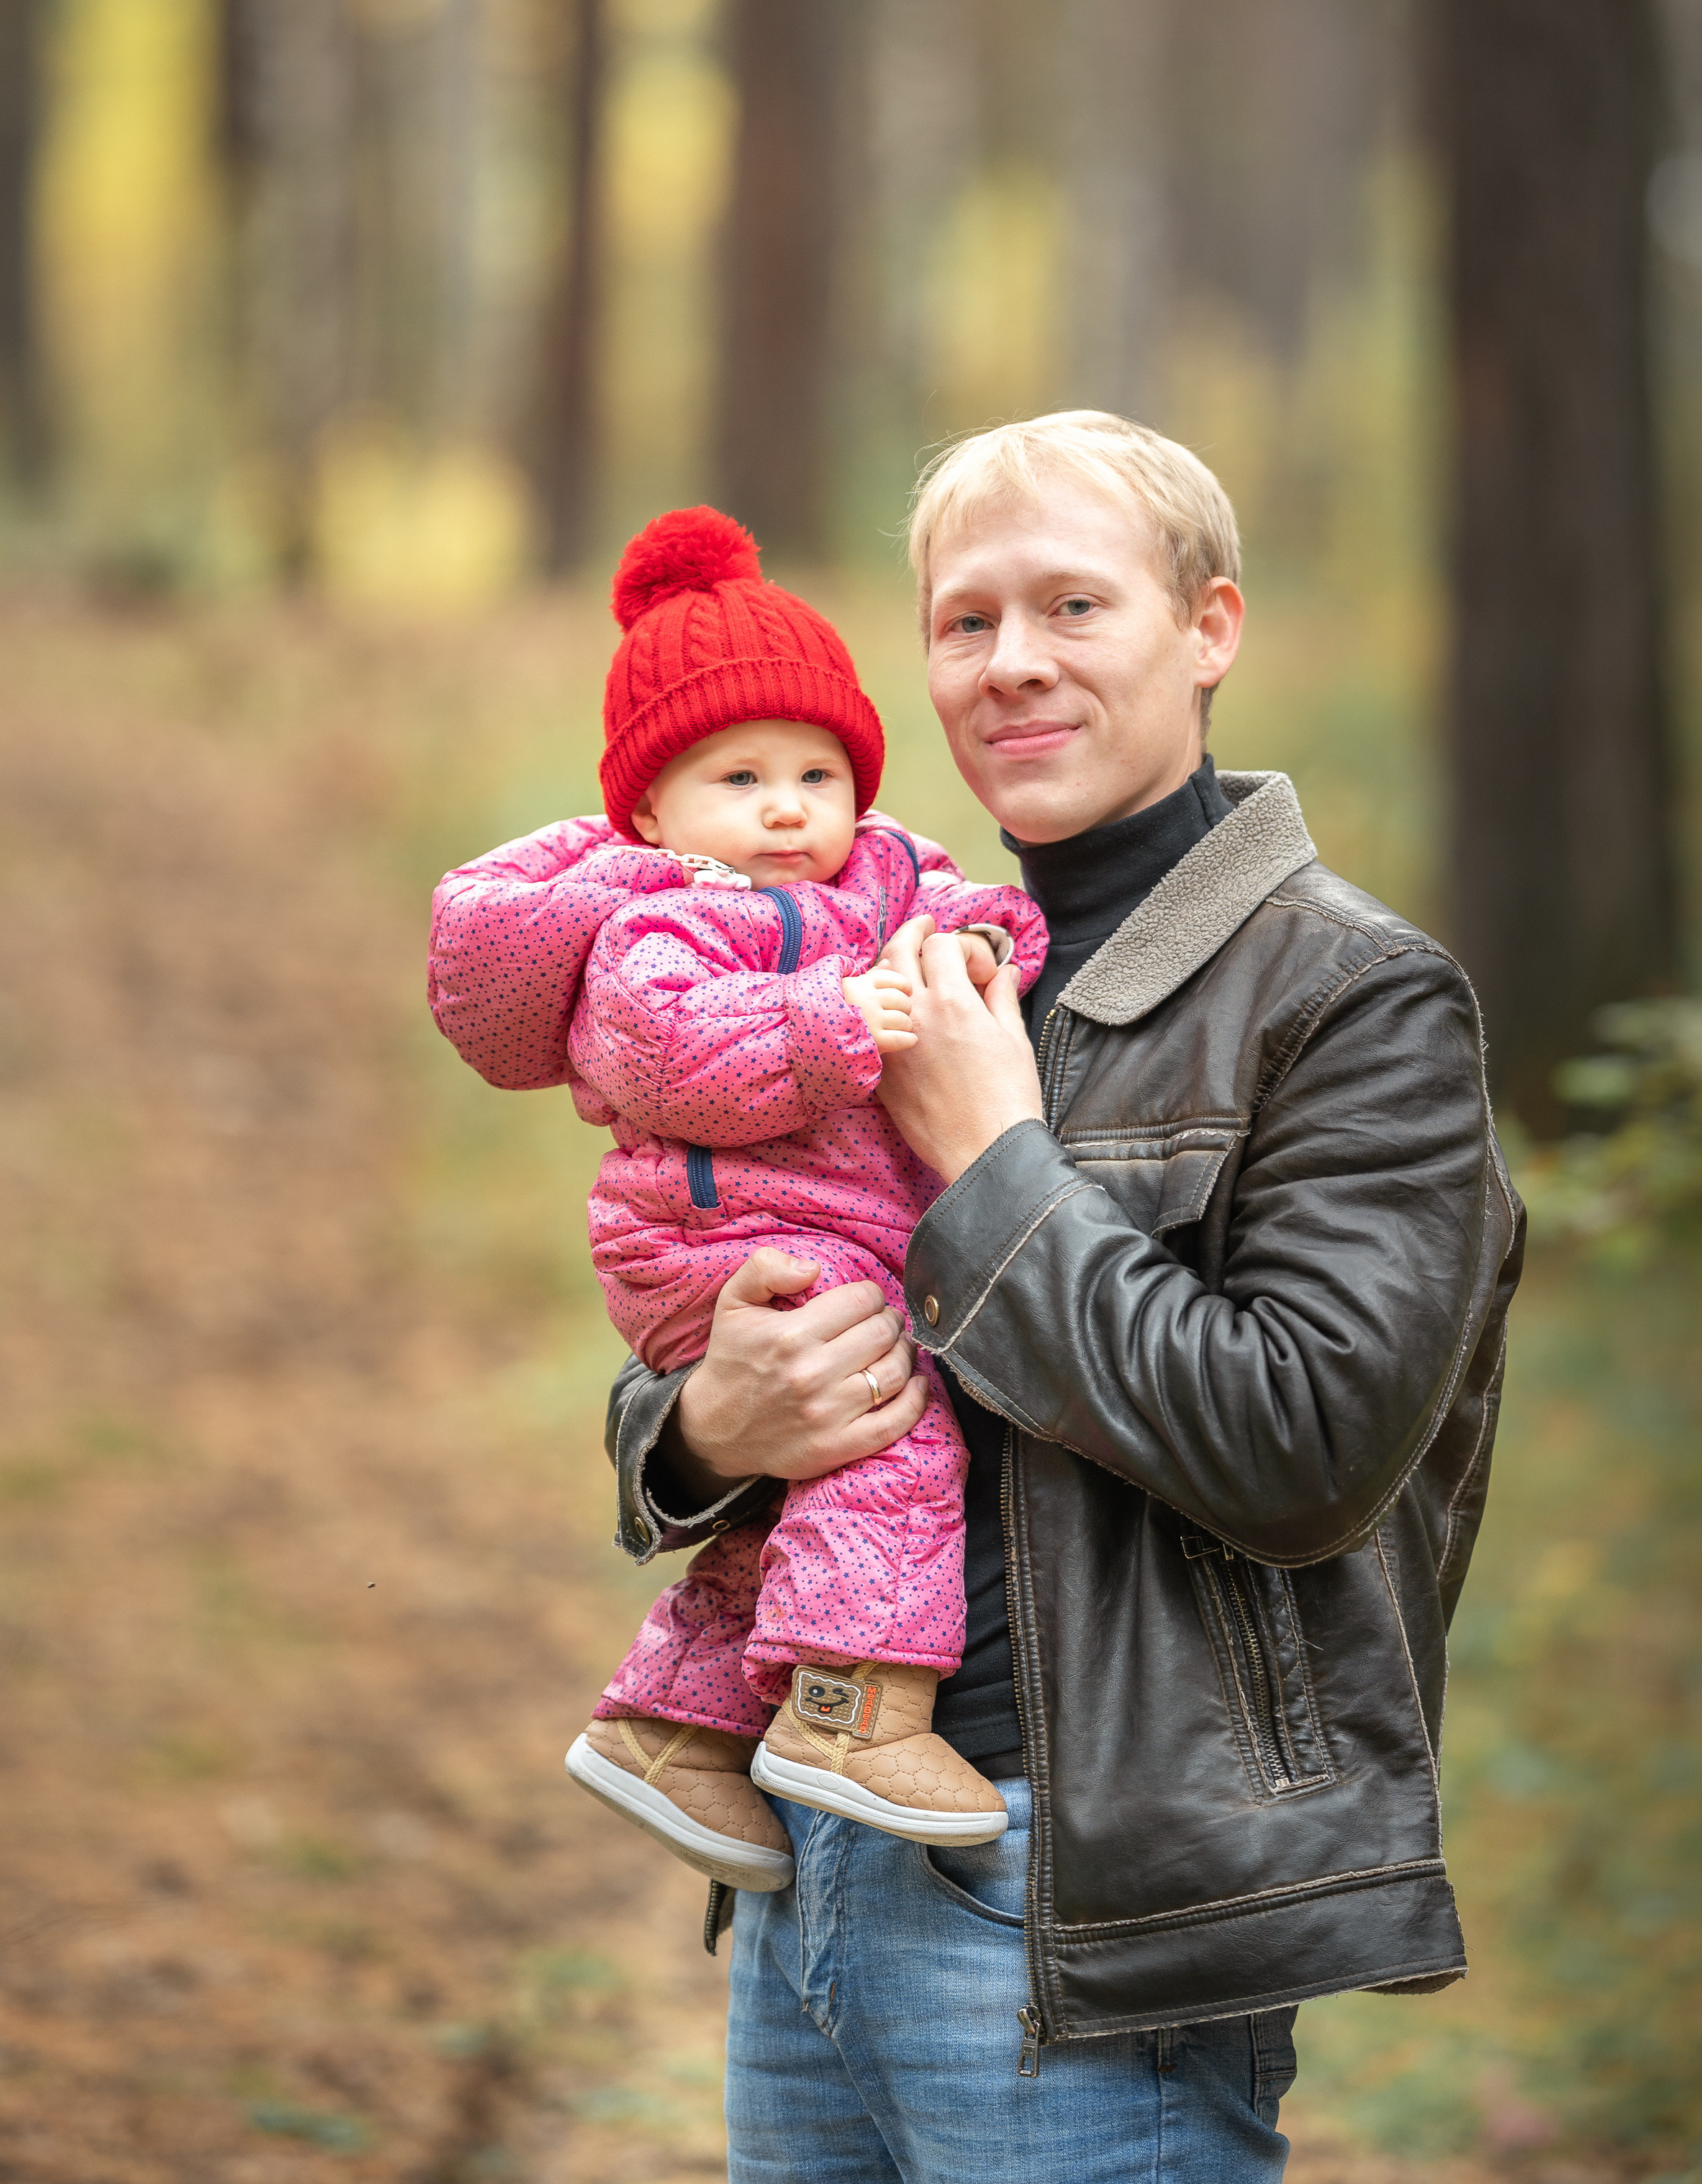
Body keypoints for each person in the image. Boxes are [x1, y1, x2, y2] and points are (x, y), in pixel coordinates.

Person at [605, 412, 1524, 2183]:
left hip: (1076, 1899)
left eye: (1072, 605)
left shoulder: (1353, 1000)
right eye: (964, 622)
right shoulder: (912, 956)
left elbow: (1303, 1448)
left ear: (1208, 627)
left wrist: (994, 1165)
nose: (1010, 662)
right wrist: (705, 1422)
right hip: (811, 1830)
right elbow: (736, 1313)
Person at [428, 507, 1048, 1898]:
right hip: (707, 1232)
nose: (787, 808)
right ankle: (856, 1712)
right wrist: (845, 1018)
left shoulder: (874, 872)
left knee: (797, 1490)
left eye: (818, 773)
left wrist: (986, 941)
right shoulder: (661, 921)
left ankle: (671, 1729)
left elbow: (969, 902)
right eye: (741, 776)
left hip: (820, 1218)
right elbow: (670, 1055)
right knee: (889, 1419)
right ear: (650, 812)